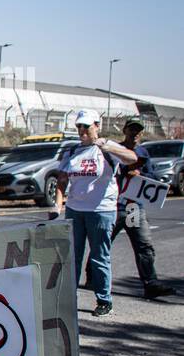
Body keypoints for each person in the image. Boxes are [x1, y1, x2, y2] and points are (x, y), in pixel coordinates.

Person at [55, 110, 139, 317]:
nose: (82, 131)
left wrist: (108, 146)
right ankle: (69, 298)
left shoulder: (107, 147)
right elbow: (62, 179)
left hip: (101, 210)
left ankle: (104, 299)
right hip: (76, 210)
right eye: (79, 127)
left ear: (96, 125)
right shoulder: (73, 150)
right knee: (73, 256)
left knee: (99, 256)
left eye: (86, 126)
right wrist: (57, 205)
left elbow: (132, 158)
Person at [82, 117, 175, 300]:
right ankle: (92, 278)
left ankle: (150, 282)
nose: (135, 134)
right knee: (102, 243)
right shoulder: (113, 150)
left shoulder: (142, 153)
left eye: (138, 131)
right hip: (113, 207)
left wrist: (140, 174)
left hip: (133, 208)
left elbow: (152, 176)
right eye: (132, 130)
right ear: (125, 131)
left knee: (143, 245)